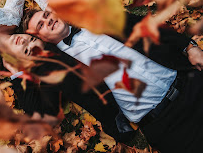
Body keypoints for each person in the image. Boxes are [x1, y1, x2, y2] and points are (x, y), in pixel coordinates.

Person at [21, 9, 203, 152]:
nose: (48, 20)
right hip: (165, 124)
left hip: (190, 83)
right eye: (41, 25)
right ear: (40, 38)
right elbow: (36, 110)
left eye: (46, 15)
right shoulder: (57, 70)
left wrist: (189, 47)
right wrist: (16, 71)